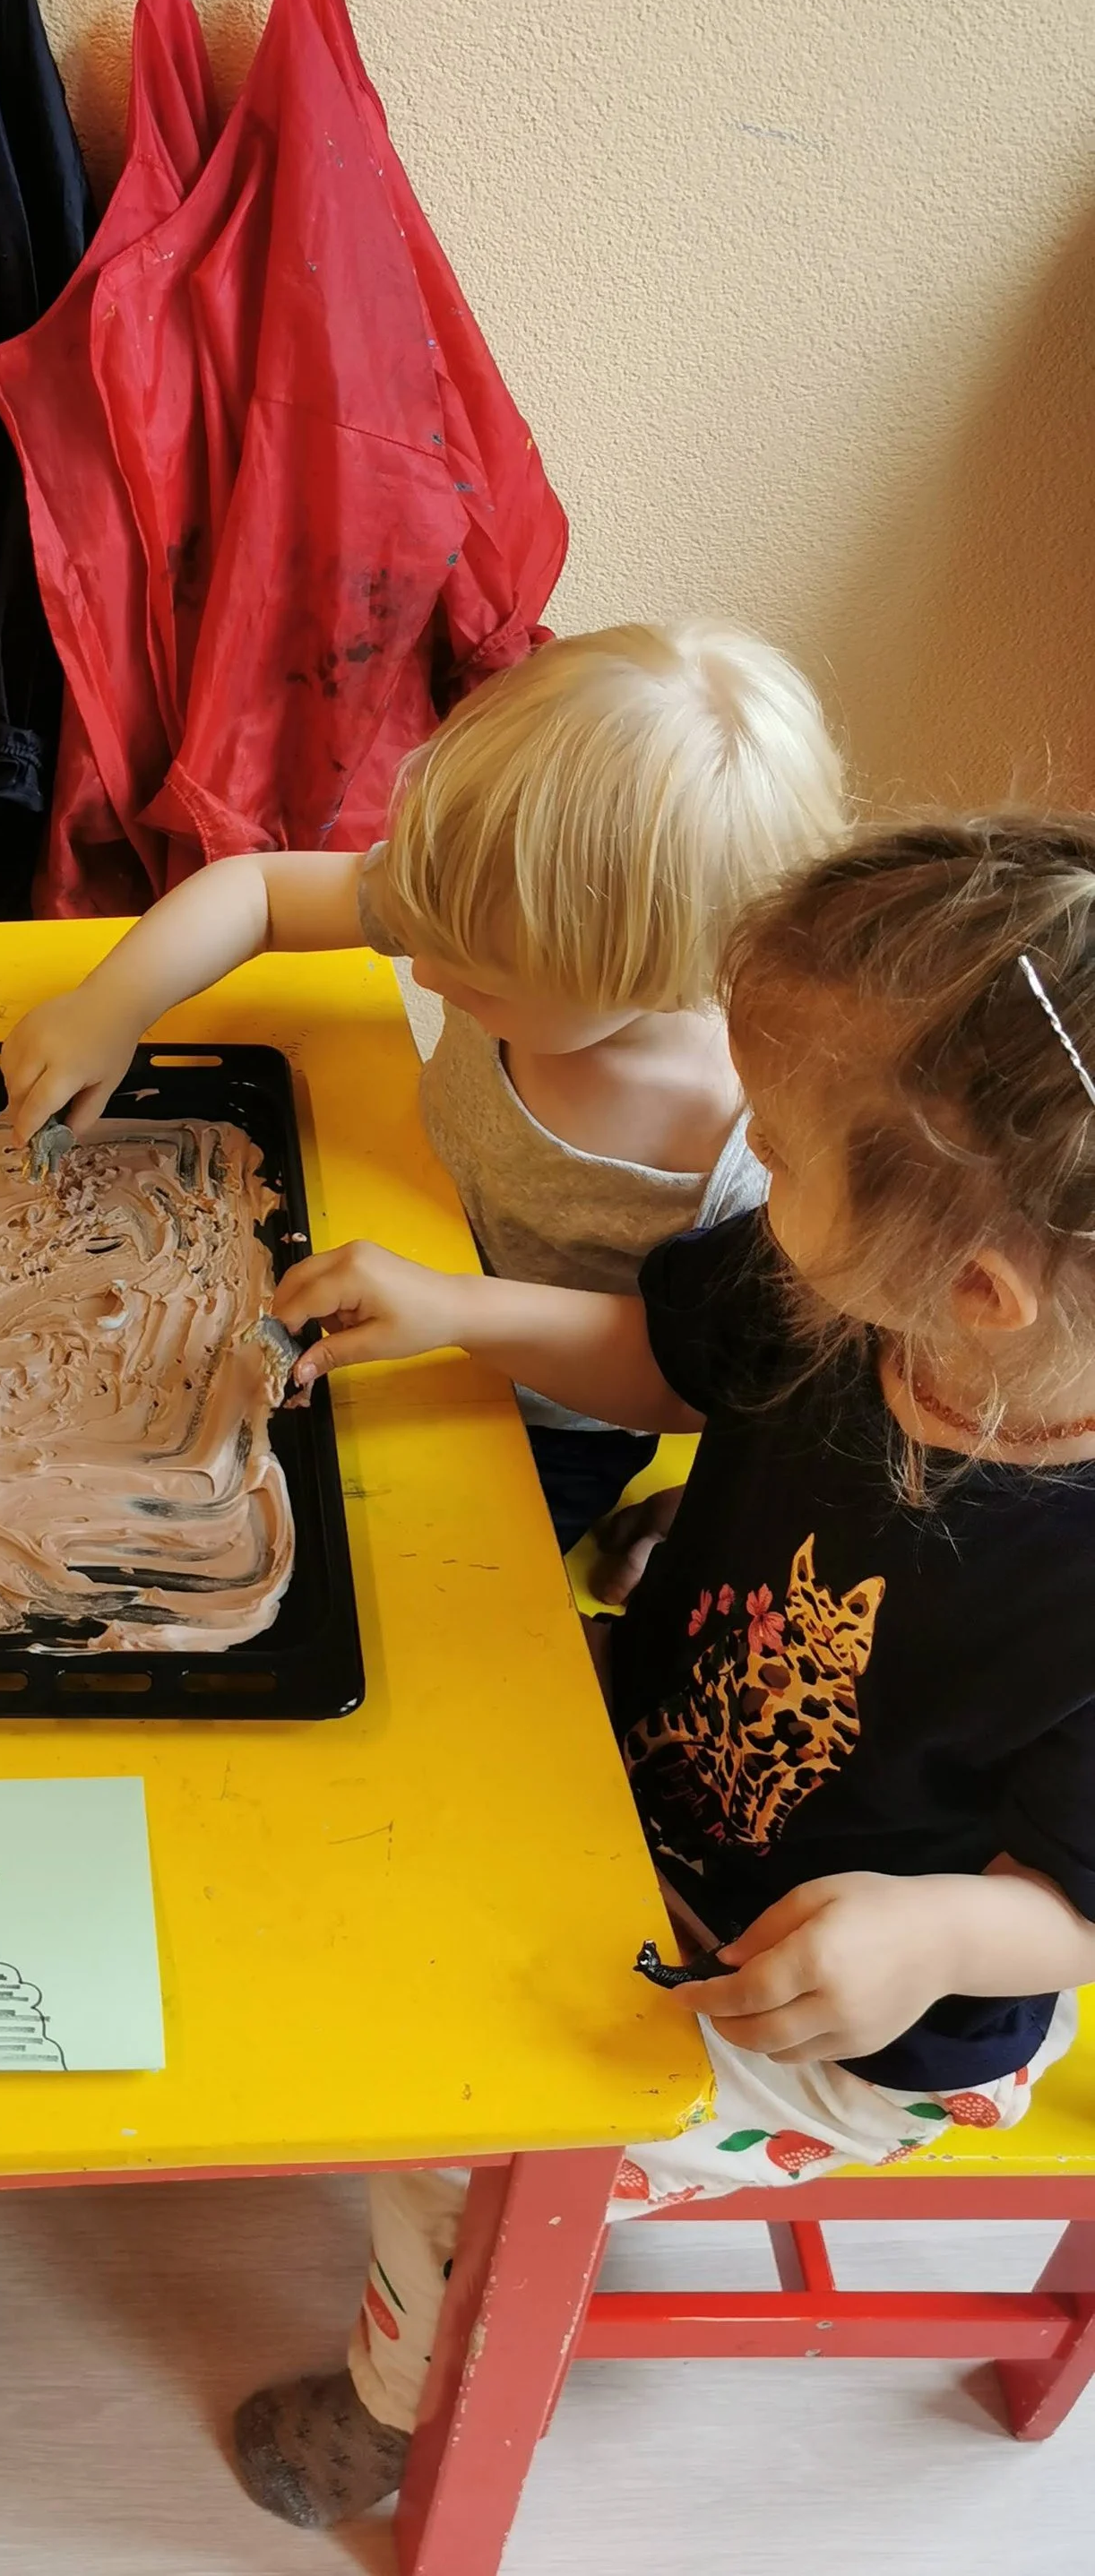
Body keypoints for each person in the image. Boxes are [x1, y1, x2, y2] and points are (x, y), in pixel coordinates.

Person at [231, 817, 1095, 2528]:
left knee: (453, 2144)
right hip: (651, 1747)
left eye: (777, 1141)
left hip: (844, 1999)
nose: (746, 1160)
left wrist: (927, 1934)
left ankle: (409, 2406)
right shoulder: (857, 1279)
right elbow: (661, 1359)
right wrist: (463, 1308)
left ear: (977, 1285)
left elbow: (1065, 1895)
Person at [2, 623, 847, 1553]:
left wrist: (455, 1311)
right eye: (425, 933)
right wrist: (111, 1008)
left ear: (655, 983)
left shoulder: (742, 1146)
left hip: (540, 1420)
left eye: (482, 982)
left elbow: (693, 1384)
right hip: (375, 1236)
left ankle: (653, 1535)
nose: (432, 978)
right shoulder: (491, 912)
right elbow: (260, 894)